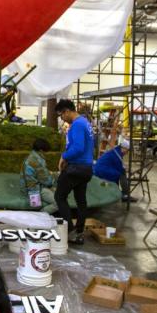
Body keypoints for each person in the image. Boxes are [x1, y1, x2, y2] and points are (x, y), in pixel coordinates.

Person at [53, 99, 94, 244]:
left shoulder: (77, 125)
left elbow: (78, 148)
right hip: (86, 169)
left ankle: (69, 231)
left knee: (59, 196)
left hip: (76, 168)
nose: (62, 118)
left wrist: (63, 157)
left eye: (61, 115)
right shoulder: (85, 123)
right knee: (81, 201)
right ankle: (79, 232)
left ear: (67, 111)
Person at [21, 138, 57, 212]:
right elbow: (48, 181)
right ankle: (40, 216)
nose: (46, 153)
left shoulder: (30, 157)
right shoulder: (37, 161)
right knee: (59, 202)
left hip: (28, 187)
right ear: (41, 150)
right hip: (35, 189)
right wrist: (55, 176)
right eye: (45, 152)